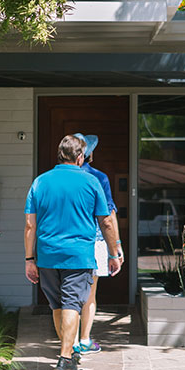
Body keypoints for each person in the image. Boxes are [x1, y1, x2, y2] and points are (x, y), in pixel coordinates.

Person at [24, 134, 122, 370]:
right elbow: (107, 222)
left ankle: (67, 352)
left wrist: (29, 259)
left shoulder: (40, 182)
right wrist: (114, 253)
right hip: (77, 256)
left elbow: (29, 225)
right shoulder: (91, 182)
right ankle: (66, 359)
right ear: (80, 157)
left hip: (46, 255)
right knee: (71, 304)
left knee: (57, 305)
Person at [72, 133, 122, 355]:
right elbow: (109, 215)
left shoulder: (60, 177)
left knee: (70, 294)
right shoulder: (99, 178)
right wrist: (117, 247)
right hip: (96, 240)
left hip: (70, 241)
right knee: (90, 294)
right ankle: (84, 339)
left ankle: (71, 342)